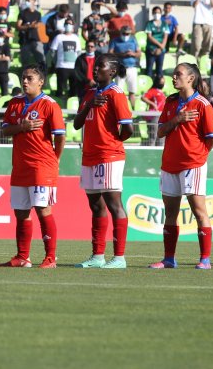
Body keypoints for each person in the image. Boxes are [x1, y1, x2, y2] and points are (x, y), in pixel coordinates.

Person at [149, 63, 213, 269]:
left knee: (199, 211)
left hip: (192, 164)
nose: (173, 77)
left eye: (178, 74)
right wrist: (177, 119)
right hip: (169, 163)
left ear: (190, 78)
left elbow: (212, 137)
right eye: (173, 74)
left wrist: (200, 156)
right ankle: (169, 259)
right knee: (170, 212)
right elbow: (160, 131)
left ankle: (205, 259)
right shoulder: (171, 102)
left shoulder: (202, 104)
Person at [0, 65, 65, 268]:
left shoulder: (49, 105)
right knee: (21, 212)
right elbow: (5, 130)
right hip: (20, 166)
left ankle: (51, 258)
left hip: (42, 166)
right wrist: (22, 127)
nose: (25, 81)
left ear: (41, 82)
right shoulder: (15, 103)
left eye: (29, 78)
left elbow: (60, 136)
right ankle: (22, 257)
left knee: (43, 209)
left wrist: (56, 159)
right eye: (23, 78)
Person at [72, 53, 134, 269]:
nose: (96, 69)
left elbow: (128, 128)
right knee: (95, 205)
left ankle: (119, 257)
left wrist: (112, 142)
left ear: (113, 71)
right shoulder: (89, 93)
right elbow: (76, 125)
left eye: (101, 66)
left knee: (113, 203)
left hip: (109, 155)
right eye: (96, 66)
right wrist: (89, 105)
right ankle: (98, 255)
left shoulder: (116, 93)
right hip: (89, 156)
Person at [144, 6, 169, 79]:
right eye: (155, 12)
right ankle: (148, 87)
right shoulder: (149, 23)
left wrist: (161, 48)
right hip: (151, 49)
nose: (156, 14)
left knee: (159, 70)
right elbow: (149, 36)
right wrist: (160, 46)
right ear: (152, 13)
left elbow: (165, 37)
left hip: (161, 50)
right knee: (149, 70)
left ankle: (158, 87)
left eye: (158, 12)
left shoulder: (164, 24)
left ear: (161, 13)